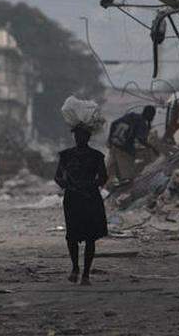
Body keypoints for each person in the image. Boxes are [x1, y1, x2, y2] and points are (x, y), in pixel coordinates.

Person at [54, 125, 109, 285]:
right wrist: (67, 185)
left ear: (88, 136)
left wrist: (89, 185)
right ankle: (75, 268)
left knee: (90, 237)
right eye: (77, 135)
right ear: (74, 136)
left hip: (90, 198)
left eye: (83, 135)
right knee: (72, 235)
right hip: (73, 198)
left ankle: (85, 274)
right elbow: (57, 176)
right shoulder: (66, 155)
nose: (80, 138)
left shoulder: (96, 156)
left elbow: (103, 177)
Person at [105, 105, 157, 185]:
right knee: (128, 178)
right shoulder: (141, 122)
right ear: (149, 115)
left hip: (114, 144)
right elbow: (141, 139)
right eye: (152, 116)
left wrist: (110, 138)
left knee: (109, 174)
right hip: (123, 149)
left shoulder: (131, 116)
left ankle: (104, 190)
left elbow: (113, 123)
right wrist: (152, 148)